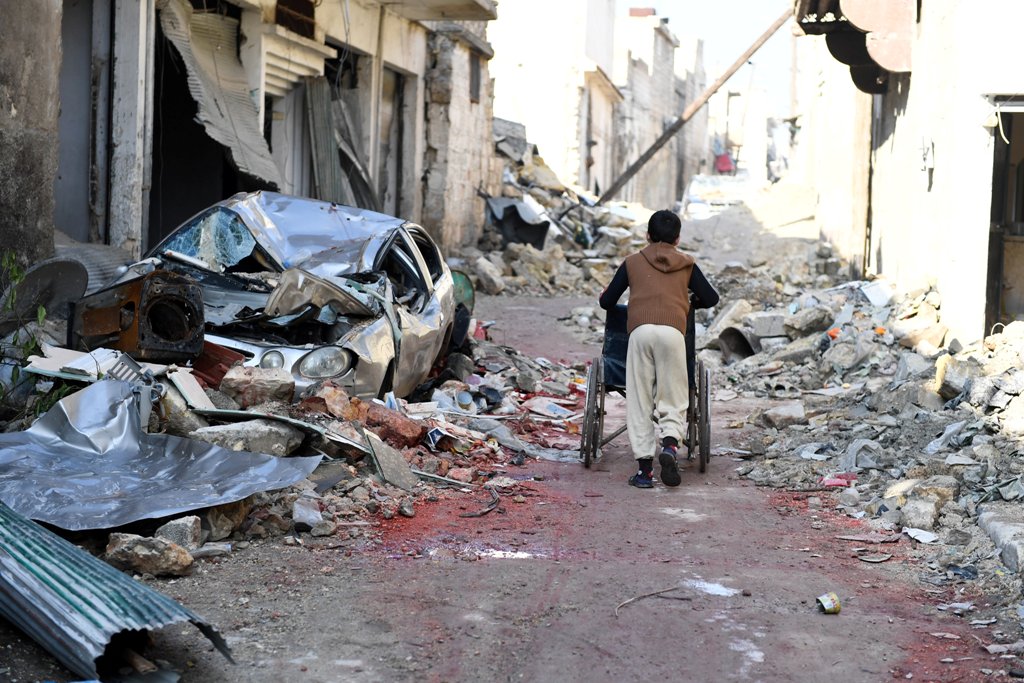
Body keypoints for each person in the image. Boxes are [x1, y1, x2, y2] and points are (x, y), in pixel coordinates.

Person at [598, 209, 719, 488]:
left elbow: (607, 303)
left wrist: (608, 295)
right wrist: (690, 303)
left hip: (640, 334)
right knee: (674, 396)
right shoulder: (688, 264)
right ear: (677, 239)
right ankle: (669, 446)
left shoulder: (632, 262)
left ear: (647, 236)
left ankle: (644, 472)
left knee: (640, 399)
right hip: (673, 335)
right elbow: (711, 298)